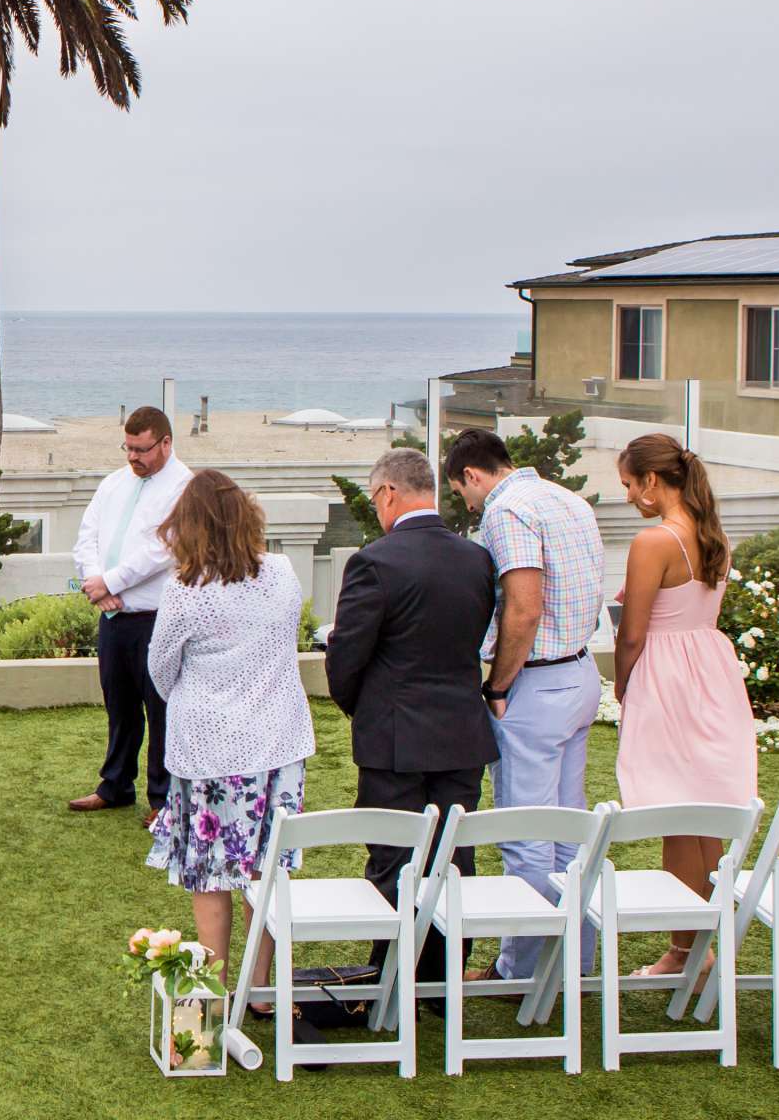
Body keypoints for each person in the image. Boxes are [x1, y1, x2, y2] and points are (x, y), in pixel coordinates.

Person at [324, 447, 497, 985]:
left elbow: (345, 658)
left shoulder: (375, 561)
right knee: (451, 859)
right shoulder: (477, 559)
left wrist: (366, 709)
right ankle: (444, 979)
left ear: (388, 493)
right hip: (463, 732)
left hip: (394, 737)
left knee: (394, 860)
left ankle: (394, 976)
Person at [444, 426, 605, 982]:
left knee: (527, 834)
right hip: (581, 673)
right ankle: (574, 964)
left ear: (472, 474)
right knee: (568, 830)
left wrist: (498, 685)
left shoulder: (507, 510)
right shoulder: (569, 500)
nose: (467, 504)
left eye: (463, 493)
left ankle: (522, 971)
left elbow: (524, 607)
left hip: (536, 683)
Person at [143, 470, 315, 978]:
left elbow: (160, 669)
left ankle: (215, 987)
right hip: (278, 741)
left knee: (210, 875)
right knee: (265, 870)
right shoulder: (283, 573)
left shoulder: (186, 590)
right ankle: (258, 988)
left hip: (209, 749)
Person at [612, 432, 757, 977]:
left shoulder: (654, 542)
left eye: (629, 484)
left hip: (668, 674)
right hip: (710, 671)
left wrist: (626, 686)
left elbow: (632, 635)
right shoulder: (712, 532)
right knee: (705, 817)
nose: (627, 496)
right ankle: (700, 947)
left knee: (677, 813)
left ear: (653, 480)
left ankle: (684, 952)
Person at [67, 405, 192, 818]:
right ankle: (116, 785)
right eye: (128, 448)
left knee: (160, 710)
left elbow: (163, 549)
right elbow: (87, 537)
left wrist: (112, 582)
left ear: (166, 443)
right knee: (118, 705)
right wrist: (97, 585)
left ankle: (163, 799)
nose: (133, 457)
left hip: (157, 617)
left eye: (141, 449)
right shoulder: (113, 483)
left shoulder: (184, 487)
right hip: (114, 616)